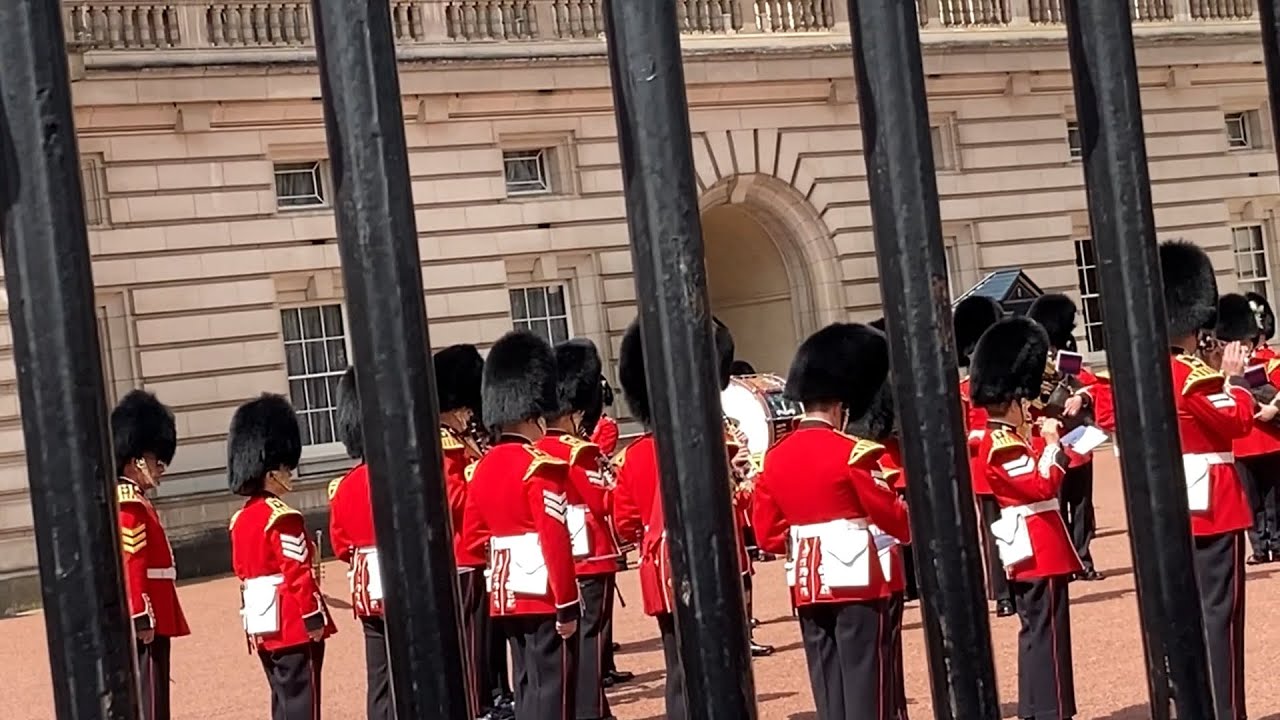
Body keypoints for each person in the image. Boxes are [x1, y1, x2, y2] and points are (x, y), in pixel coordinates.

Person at [751, 322, 911, 719]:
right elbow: (893, 519)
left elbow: (767, 535)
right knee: (864, 677)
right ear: (841, 406)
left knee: (827, 677)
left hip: (806, 577)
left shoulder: (775, 455)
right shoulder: (852, 452)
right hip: (855, 574)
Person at [611, 316, 747, 719]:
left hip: (661, 571)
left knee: (677, 668)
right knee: (721, 658)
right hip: (709, 563)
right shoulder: (710, 446)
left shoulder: (633, 455)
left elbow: (624, 522)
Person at [459, 330, 581, 720]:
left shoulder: (479, 469)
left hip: (505, 590)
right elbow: (555, 539)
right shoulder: (539, 466)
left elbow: (473, 538)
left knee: (526, 679)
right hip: (544, 591)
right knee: (553, 685)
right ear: (532, 417)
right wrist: (567, 602)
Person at [971, 316, 1081, 720]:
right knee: (1047, 633)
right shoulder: (1001, 444)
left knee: (1036, 631)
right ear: (1012, 401)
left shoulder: (1010, 439)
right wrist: (1052, 444)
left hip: (1037, 545)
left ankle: (1037, 707)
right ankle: (1051, 710)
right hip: (1038, 547)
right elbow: (1040, 486)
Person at [1161, 240, 1254, 720]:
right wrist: (1231, 379)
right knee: (1220, 616)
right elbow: (1238, 421)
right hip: (1212, 504)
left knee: (1184, 612)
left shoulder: (1152, 372)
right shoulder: (1194, 375)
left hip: (1170, 502)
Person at [228, 394, 336, 720]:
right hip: (291, 621)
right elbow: (297, 573)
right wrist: (312, 616)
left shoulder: (241, 519)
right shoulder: (282, 516)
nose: (291, 474)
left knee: (282, 698)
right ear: (272, 472)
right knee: (303, 699)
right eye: (287, 468)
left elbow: (241, 571)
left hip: (262, 623)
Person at [536, 338, 621, 720]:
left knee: (571, 639)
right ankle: (591, 711)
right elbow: (604, 501)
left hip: (560, 555)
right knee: (591, 637)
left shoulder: (538, 450)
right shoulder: (577, 450)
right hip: (590, 552)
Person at [433, 344, 512, 720]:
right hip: (463, 553)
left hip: (479, 550)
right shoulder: (445, 443)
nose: (469, 414)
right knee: (472, 637)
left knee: (486, 634)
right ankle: (472, 703)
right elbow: (453, 498)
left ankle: (488, 696)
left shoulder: (463, 441)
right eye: (464, 407)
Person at [112, 390, 188, 720]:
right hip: (148, 614)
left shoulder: (138, 499)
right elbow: (133, 562)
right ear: (136, 459)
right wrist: (140, 614)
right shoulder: (129, 501)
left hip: (157, 610)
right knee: (151, 702)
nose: (162, 468)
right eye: (157, 460)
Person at [326, 366, 391, 720]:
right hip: (400, 580)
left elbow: (339, 546)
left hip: (366, 587)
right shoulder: (396, 478)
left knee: (378, 675)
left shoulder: (344, 486)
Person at [846, 375, 911, 718]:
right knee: (883, 648)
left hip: (825, 569)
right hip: (876, 559)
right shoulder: (864, 456)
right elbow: (893, 518)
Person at [1027, 294, 1105, 581]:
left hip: (1077, 441)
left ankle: (1083, 559)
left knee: (1081, 506)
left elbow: (1087, 383)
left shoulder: (1067, 353)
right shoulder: (1031, 356)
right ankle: (1064, 561)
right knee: (1055, 505)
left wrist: (1081, 397)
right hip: (1048, 440)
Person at [954, 295, 1016, 617]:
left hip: (1015, 459)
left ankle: (1021, 581)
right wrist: (975, 437)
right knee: (992, 531)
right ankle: (1002, 592)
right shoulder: (964, 388)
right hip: (984, 465)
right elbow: (958, 432)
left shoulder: (1010, 381)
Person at [1227, 293, 1280, 564]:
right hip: (1243, 441)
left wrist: (1273, 408)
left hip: (1270, 439)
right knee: (1252, 500)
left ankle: (1277, 543)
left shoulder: (1271, 362)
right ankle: (1259, 547)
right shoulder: (1226, 369)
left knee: (1274, 499)